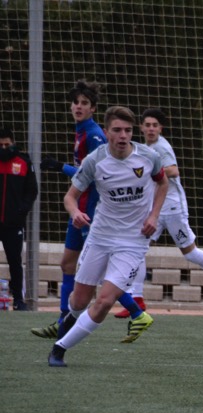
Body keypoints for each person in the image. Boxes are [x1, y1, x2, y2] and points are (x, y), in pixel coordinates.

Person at [47, 106, 167, 367]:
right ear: (107, 132)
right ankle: (67, 324)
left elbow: (163, 182)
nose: (123, 135)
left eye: (128, 130)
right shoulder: (95, 160)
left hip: (133, 241)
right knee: (78, 301)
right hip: (100, 236)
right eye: (117, 130)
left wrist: (154, 216)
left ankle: (59, 349)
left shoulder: (148, 157)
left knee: (104, 301)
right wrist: (76, 212)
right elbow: (70, 197)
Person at [32, 80, 145, 339]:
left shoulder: (94, 134)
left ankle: (137, 313)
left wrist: (61, 167)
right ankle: (62, 319)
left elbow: (93, 176)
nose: (78, 107)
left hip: (92, 211)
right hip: (79, 209)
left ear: (93, 108)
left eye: (84, 103)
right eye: (76, 102)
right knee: (67, 263)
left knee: (95, 272)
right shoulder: (82, 130)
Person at [114, 108, 203, 318]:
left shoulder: (161, 147)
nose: (151, 128)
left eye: (155, 125)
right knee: (137, 249)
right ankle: (136, 300)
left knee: (190, 253)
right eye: (147, 125)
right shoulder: (146, 147)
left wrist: (147, 172)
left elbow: (173, 170)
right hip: (155, 208)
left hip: (172, 208)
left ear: (160, 128)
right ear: (141, 127)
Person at [0, 128, 39, 310]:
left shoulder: (23, 162)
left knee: (15, 261)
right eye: (0, 145)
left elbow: (32, 191)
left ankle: (18, 300)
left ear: (13, 143)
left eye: (7, 144)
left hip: (13, 223)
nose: (4, 148)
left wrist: (21, 210)